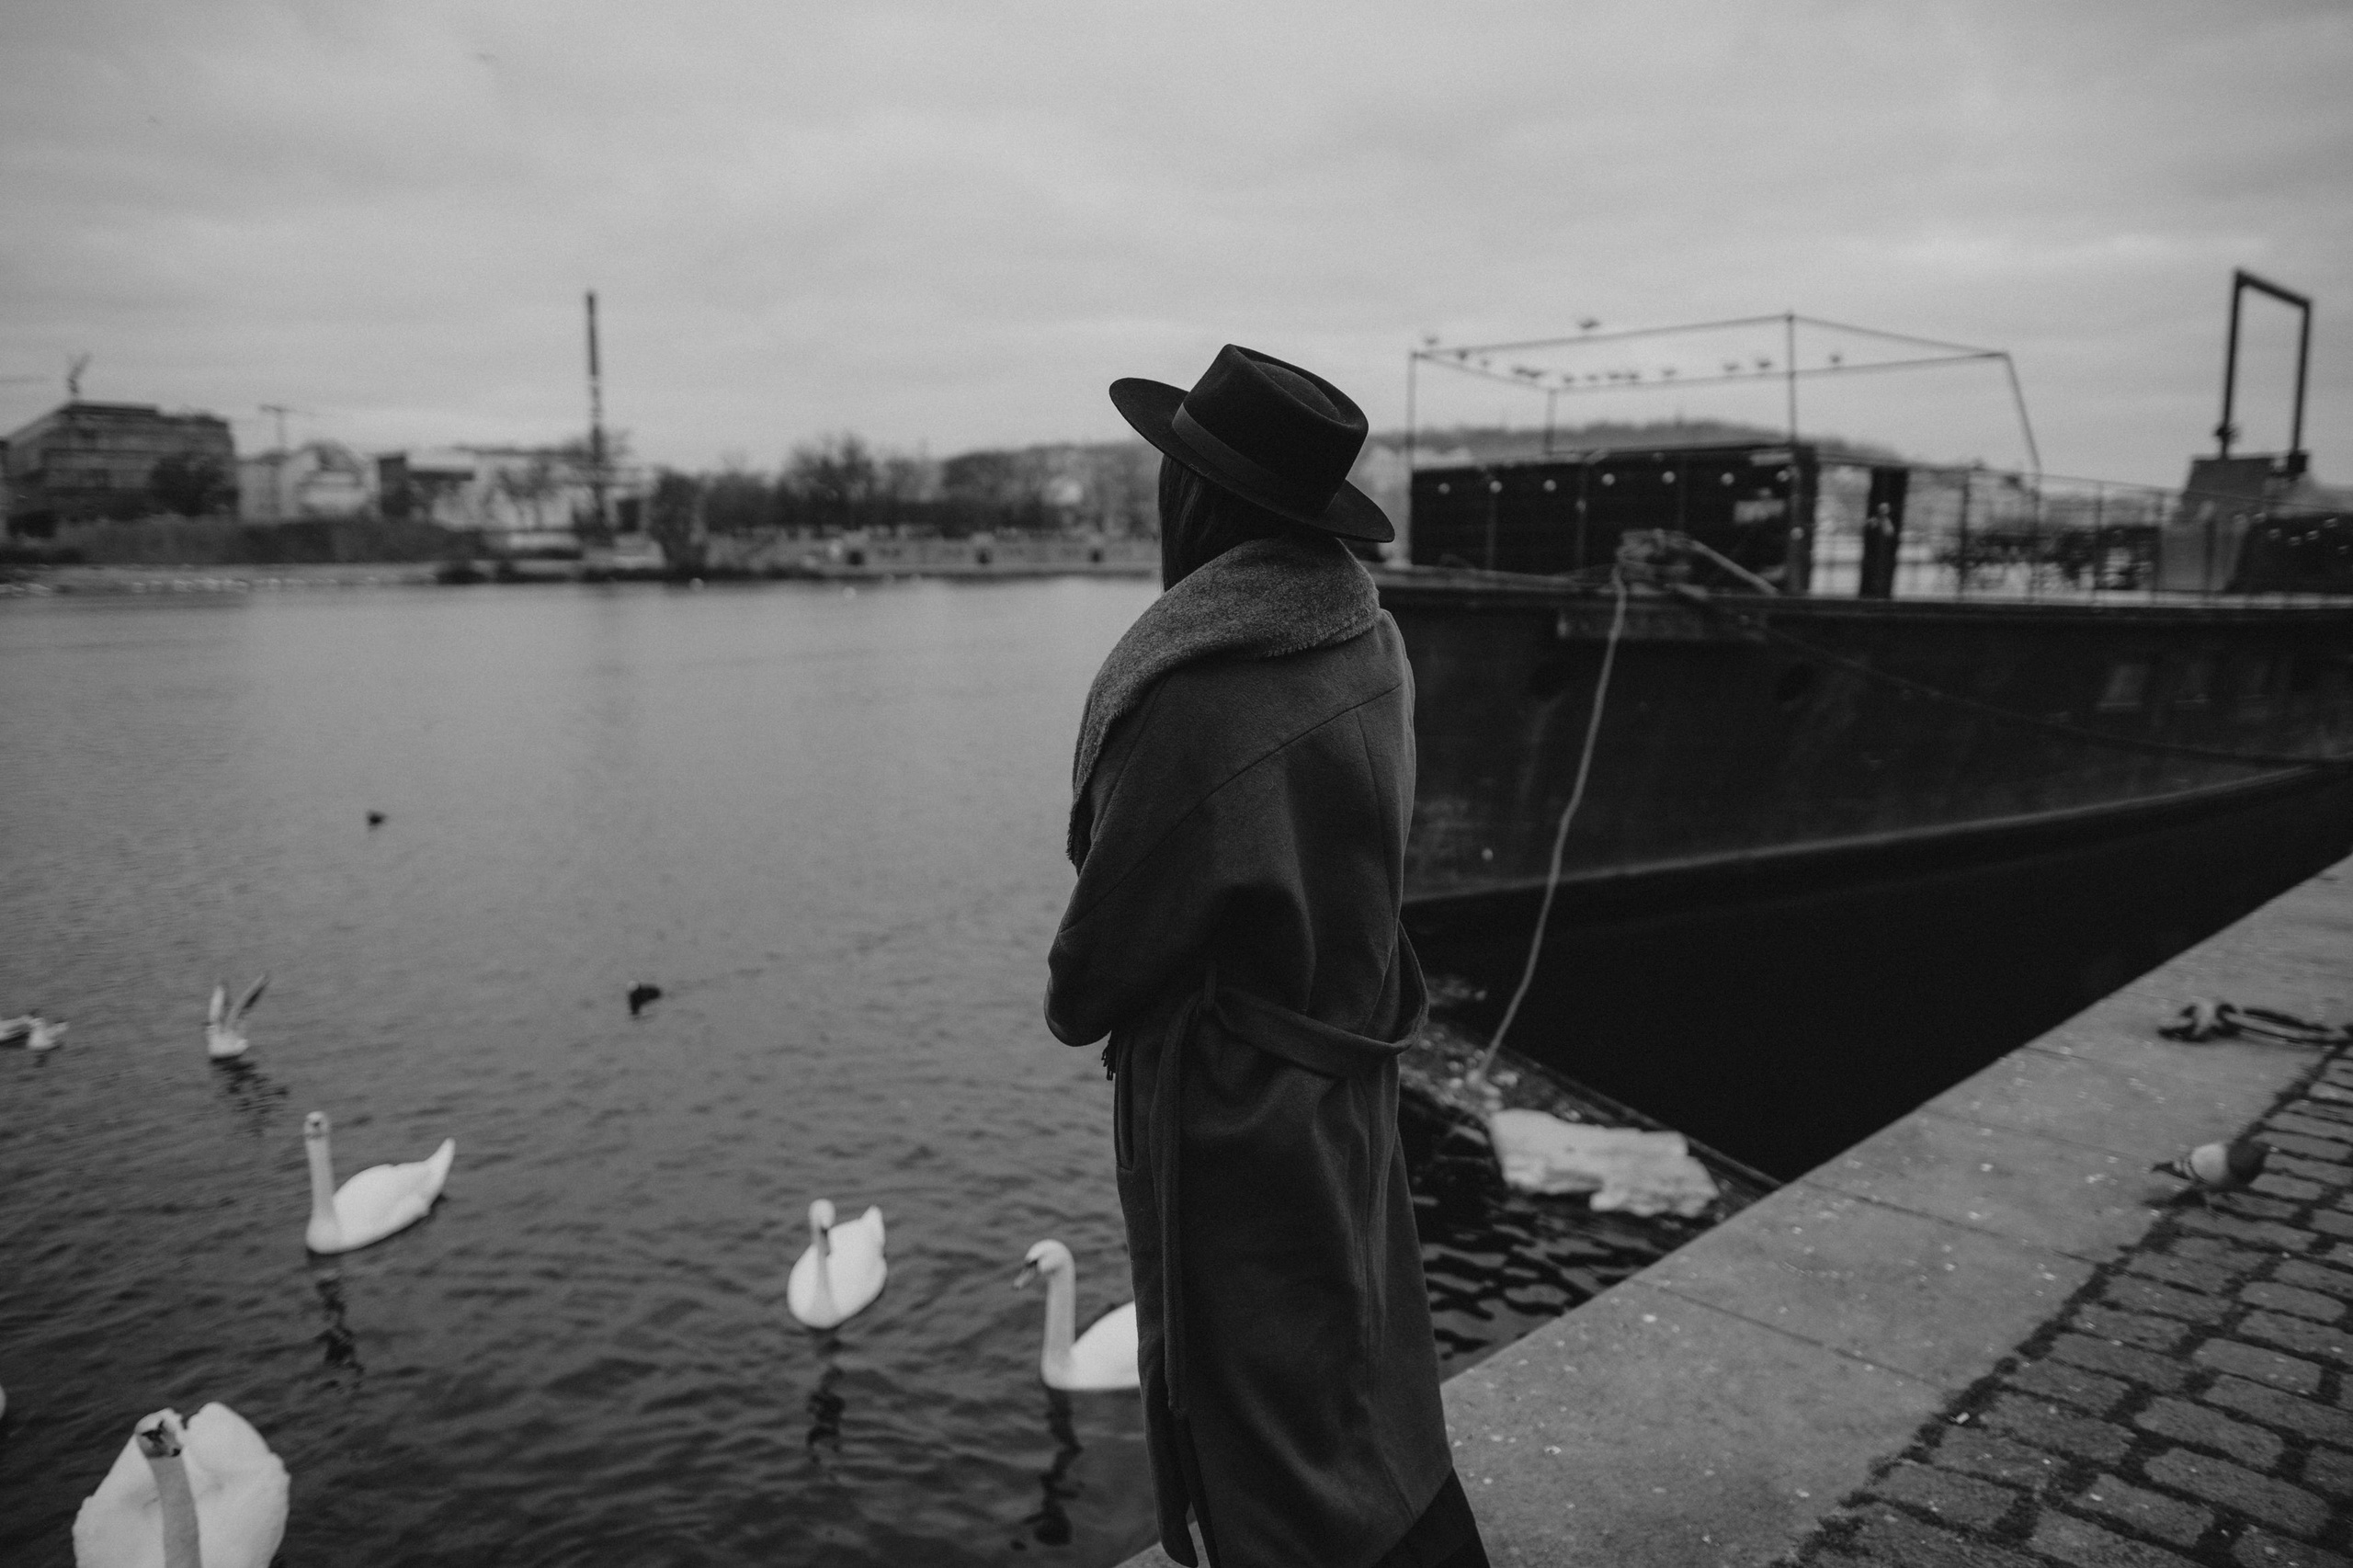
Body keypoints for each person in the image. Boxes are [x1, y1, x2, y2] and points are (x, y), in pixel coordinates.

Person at [1047, 345, 1487, 1567]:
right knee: (1359, 1382)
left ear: (1198, 500)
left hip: (1238, 1120)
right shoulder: (1370, 641)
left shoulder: (1196, 696)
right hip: (1346, 1072)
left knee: (1260, 1442)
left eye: (1172, 473)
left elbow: (1090, 981)